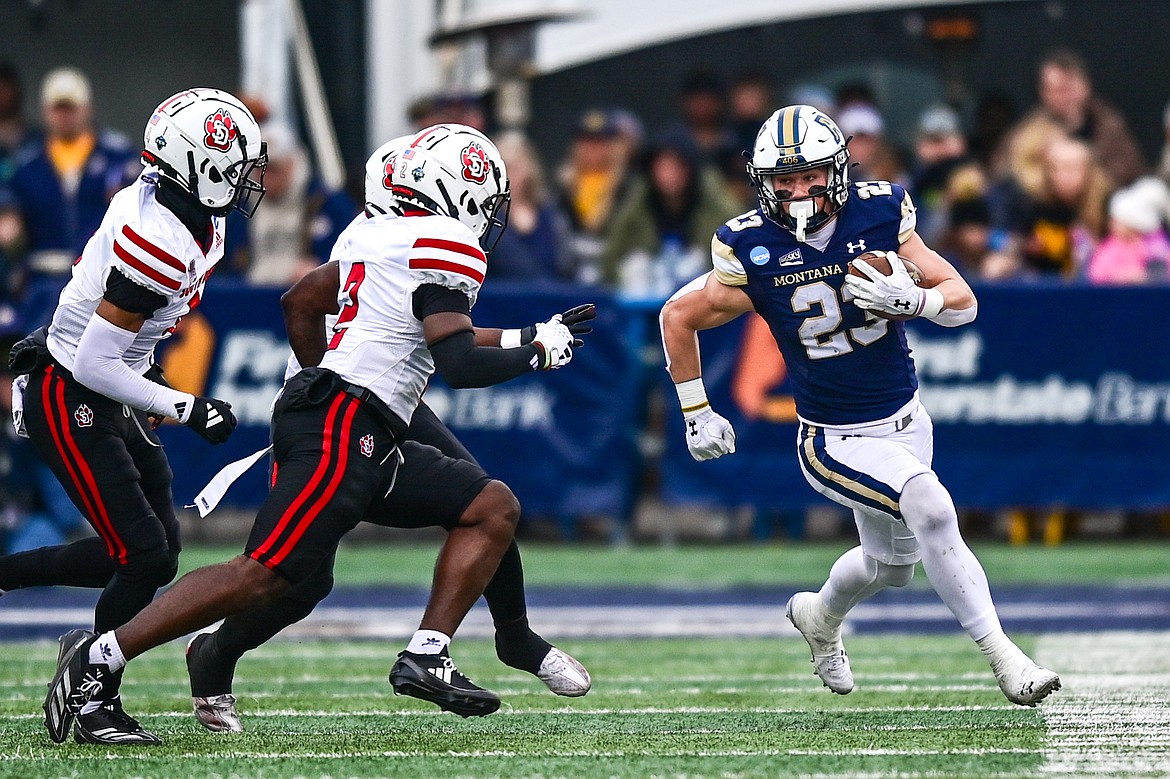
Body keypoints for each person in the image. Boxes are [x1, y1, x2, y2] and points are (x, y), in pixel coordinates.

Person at [43, 123, 584, 743]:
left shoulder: (374, 234)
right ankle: (96, 659)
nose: (489, 214)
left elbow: (304, 300)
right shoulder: (442, 244)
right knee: (263, 572)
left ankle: (429, 653)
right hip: (346, 420)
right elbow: (458, 362)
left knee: (488, 506)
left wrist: (526, 338)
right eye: (485, 196)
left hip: (361, 419)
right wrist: (536, 353)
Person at [658, 104, 1061, 707]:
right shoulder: (752, 247)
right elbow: (677, 315)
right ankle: (1007, 658)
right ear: (762, 183)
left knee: (890, 566)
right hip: (832, 437)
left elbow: (964, 301)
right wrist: (695, 409)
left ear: (838, 171)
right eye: (783, 180)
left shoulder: (877, 216)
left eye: (810, 175)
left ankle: (817, 615)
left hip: (906, 419)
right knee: (930, 507)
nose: (797, 191)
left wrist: (914, 299)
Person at [5, 88, 267, 745]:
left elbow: (90, 283)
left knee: (154, 553)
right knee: (142, 553)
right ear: (198, 168)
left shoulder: (179, 206)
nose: (246, 182)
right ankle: (93, 696)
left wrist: (69, 338)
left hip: (106, 382)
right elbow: (94, 360)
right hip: (74, 393)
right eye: (236, 168)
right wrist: (186, 403)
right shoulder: (159, 231)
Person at [0, 67, 139, 329]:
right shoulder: (26, 163)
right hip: (41, 280)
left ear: (87, 108)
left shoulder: (117, 158)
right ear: (45, 110)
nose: (64, 116)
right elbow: (9, 218)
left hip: (103, 281)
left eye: (71, 108)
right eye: (57, 108)